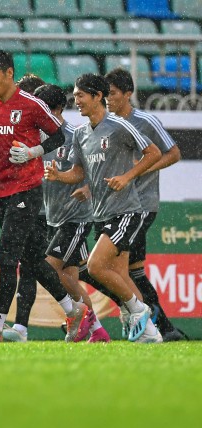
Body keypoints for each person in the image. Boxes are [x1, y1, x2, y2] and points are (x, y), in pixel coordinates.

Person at [0, 50, 94, 343]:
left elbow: (59, 135)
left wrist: (33, 151)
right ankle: (73, 309)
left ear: (9, 73)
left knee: (6, 257)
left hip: (26, 189)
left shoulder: (31, 104)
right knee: (33, 260)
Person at [44, 73, 163, 343]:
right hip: (102, 213)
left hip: (128, 210)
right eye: (74, 96)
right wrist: (59, 177)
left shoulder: (120, 125)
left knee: (96, 266)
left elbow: (154, 153)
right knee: (118, 274)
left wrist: (127, 176)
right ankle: (150, 334)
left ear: (98, 96)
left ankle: (138, 309)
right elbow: (78, 171)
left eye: (80, 95)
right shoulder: (81, 134)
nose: (76, 100)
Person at [103, 67, 185, 342]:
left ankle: (153, 326)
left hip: (142, 205)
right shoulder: (108, 123)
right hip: (119, 205)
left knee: (119, 270)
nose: (108, 99)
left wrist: (140, 171)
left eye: (113, 94)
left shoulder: (145, 120)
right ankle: (162, 327)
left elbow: (173, 153)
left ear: (128, 94)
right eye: (105, 94)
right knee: (132, 271)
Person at [34, 83, 110, 343]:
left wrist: (88, 187)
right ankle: (97, 329)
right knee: (69, 278)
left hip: (75, 217)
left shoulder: (75, 134)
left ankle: (77, 314)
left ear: (55, 109)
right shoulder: (37, 139)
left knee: (49, 268)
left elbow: (95, 168)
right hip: (52, 216)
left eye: (41, 109)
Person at [2, 73, 47, 342]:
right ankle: (21, 327)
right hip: (35, 208)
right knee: (30, 266)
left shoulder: (54, 133)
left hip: (54, 212)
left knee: (53, 268)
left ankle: (81, 314)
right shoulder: (21, 129)